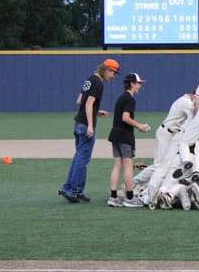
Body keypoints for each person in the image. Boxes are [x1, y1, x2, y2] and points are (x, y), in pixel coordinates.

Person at [59, 58, 120, 202]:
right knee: (82, 159)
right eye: (113, 73)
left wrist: (97, 112)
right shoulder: (98, 83)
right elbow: (88, 103)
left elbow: (80, 101)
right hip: (85, 124)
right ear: (106, 70)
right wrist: (91, 125)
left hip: (78, 122)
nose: (113, 76)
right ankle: (71, 190)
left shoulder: (90, 80)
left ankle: (76, 190)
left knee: (80, 157)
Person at [107, 73, 151, 207]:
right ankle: (130, 198)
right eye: (138, 83)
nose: (140, 86)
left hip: (115, 134)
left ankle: (113, 197)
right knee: (128, 167)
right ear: (132, 84)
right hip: (125, 136)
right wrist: (140, 126)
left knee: (117, 165)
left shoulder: (122, 97)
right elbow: (125, 117)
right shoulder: (130, 99)